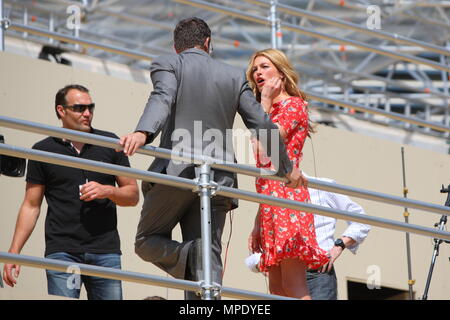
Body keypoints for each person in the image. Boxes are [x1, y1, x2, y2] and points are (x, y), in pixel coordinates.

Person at [119, 17, 303, 300]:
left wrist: (143, 132)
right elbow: (260, 124)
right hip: (219, 177)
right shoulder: (232, 76)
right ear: (208, 44)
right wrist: (285, 169)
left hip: (177, 172)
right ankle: (201, 260)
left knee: (145, 242)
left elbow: (162, 97)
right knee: (208, 265)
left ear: (175, 46)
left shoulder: (169, 63)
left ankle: (195, 257)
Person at [2, 84, 139, 300]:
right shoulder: (42, 150)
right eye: (79, 108)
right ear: (61, 110)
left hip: (106, 252)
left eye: (90, 107)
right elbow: (31, 205)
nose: (87, 113)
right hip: (62, 251)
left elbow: (132, 195)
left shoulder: (110, 143)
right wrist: (14, 252)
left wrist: (106, 190)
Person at [247, 48, 329, 300]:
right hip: (271, 201)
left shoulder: (293, 105)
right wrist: (258, 221)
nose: (258, 72)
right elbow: (263, 164)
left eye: (265, 67)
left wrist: (265, 102)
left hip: (288, 200)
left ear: (281, 73)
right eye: (255, 69)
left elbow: (267, 144)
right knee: (277, 289)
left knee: (294, 285)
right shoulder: (269, 110)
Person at [305, 174, 371, 300]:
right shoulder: (274, 191)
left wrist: (339, 245)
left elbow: (362, 221)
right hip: (287, 274)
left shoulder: (321, 187)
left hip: (318, 273)